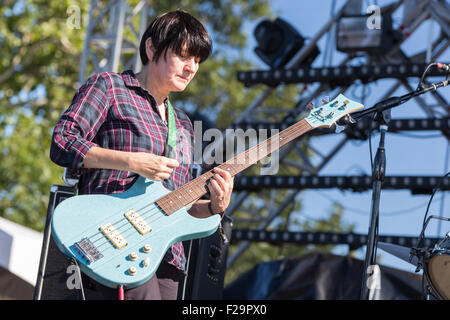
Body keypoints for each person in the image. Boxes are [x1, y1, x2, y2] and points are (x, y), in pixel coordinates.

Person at [50, 10, 234, 300]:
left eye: (197, 61)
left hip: (167, 260)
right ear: (151, 48)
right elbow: (63, 141)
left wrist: (215, 206)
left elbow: (179, 205)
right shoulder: (110, 87)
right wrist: (133, 162)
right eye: (184, 56)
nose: (191, 68)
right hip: (112, 241)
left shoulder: (184, 124)